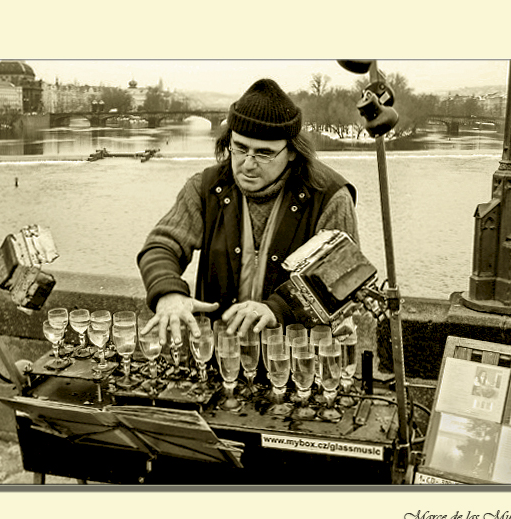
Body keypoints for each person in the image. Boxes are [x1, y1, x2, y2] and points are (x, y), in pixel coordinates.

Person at [138, 78, 359, 346]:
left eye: (264, 154)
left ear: (291, 152)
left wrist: (278, 309)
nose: (248, 164)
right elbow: (161, 245)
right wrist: (167, 292)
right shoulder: (207, 187)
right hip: (219, 354)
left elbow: (342, 278)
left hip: (296, 363)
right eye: (240, 148)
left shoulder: (330, 196)